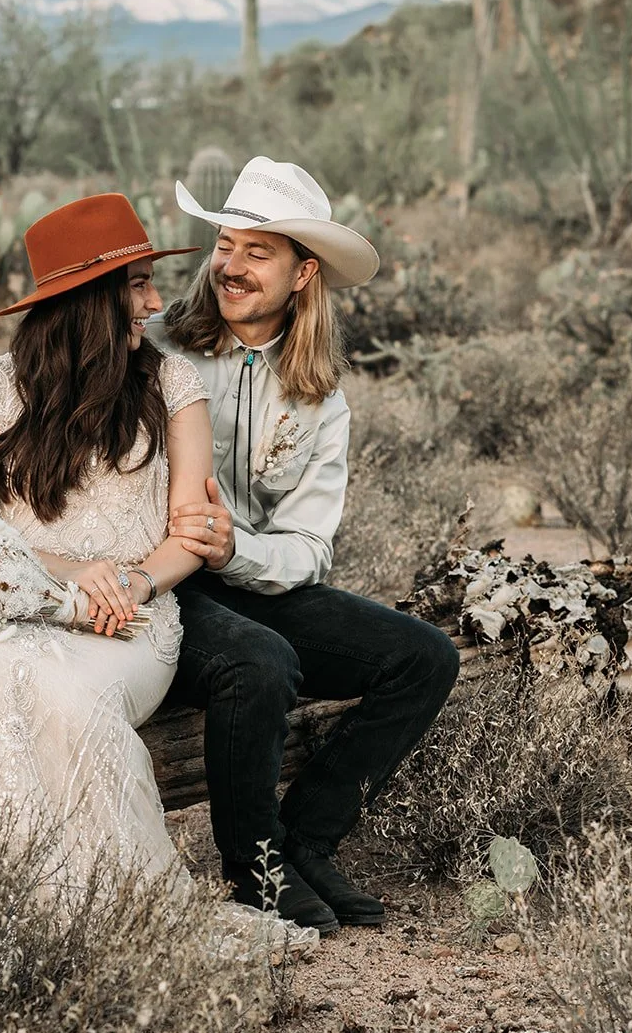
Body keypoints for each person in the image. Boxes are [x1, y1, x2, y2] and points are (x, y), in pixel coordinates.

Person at [0, 191, 315, 954]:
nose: (153, 302)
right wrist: (72, 570)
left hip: (131, 621)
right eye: (137, 284)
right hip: (14, 605)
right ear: (88, 300)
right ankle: (33, 909)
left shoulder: (172, 386)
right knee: (1, 668)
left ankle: (116, 913)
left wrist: (135, 584)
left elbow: (191, 534)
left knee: (70, 696)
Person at [151, 156, 460, 936]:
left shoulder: (320, 398)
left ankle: (307, 842)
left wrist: (236, 553)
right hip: (161, 578)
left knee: (422, 657)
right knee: (261, 662)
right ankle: (254, 864)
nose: (231, 266)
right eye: (225, 245)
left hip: (250, 577)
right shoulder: (158, 349)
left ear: (302, 273)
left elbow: (307, 546)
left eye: (257, 252)